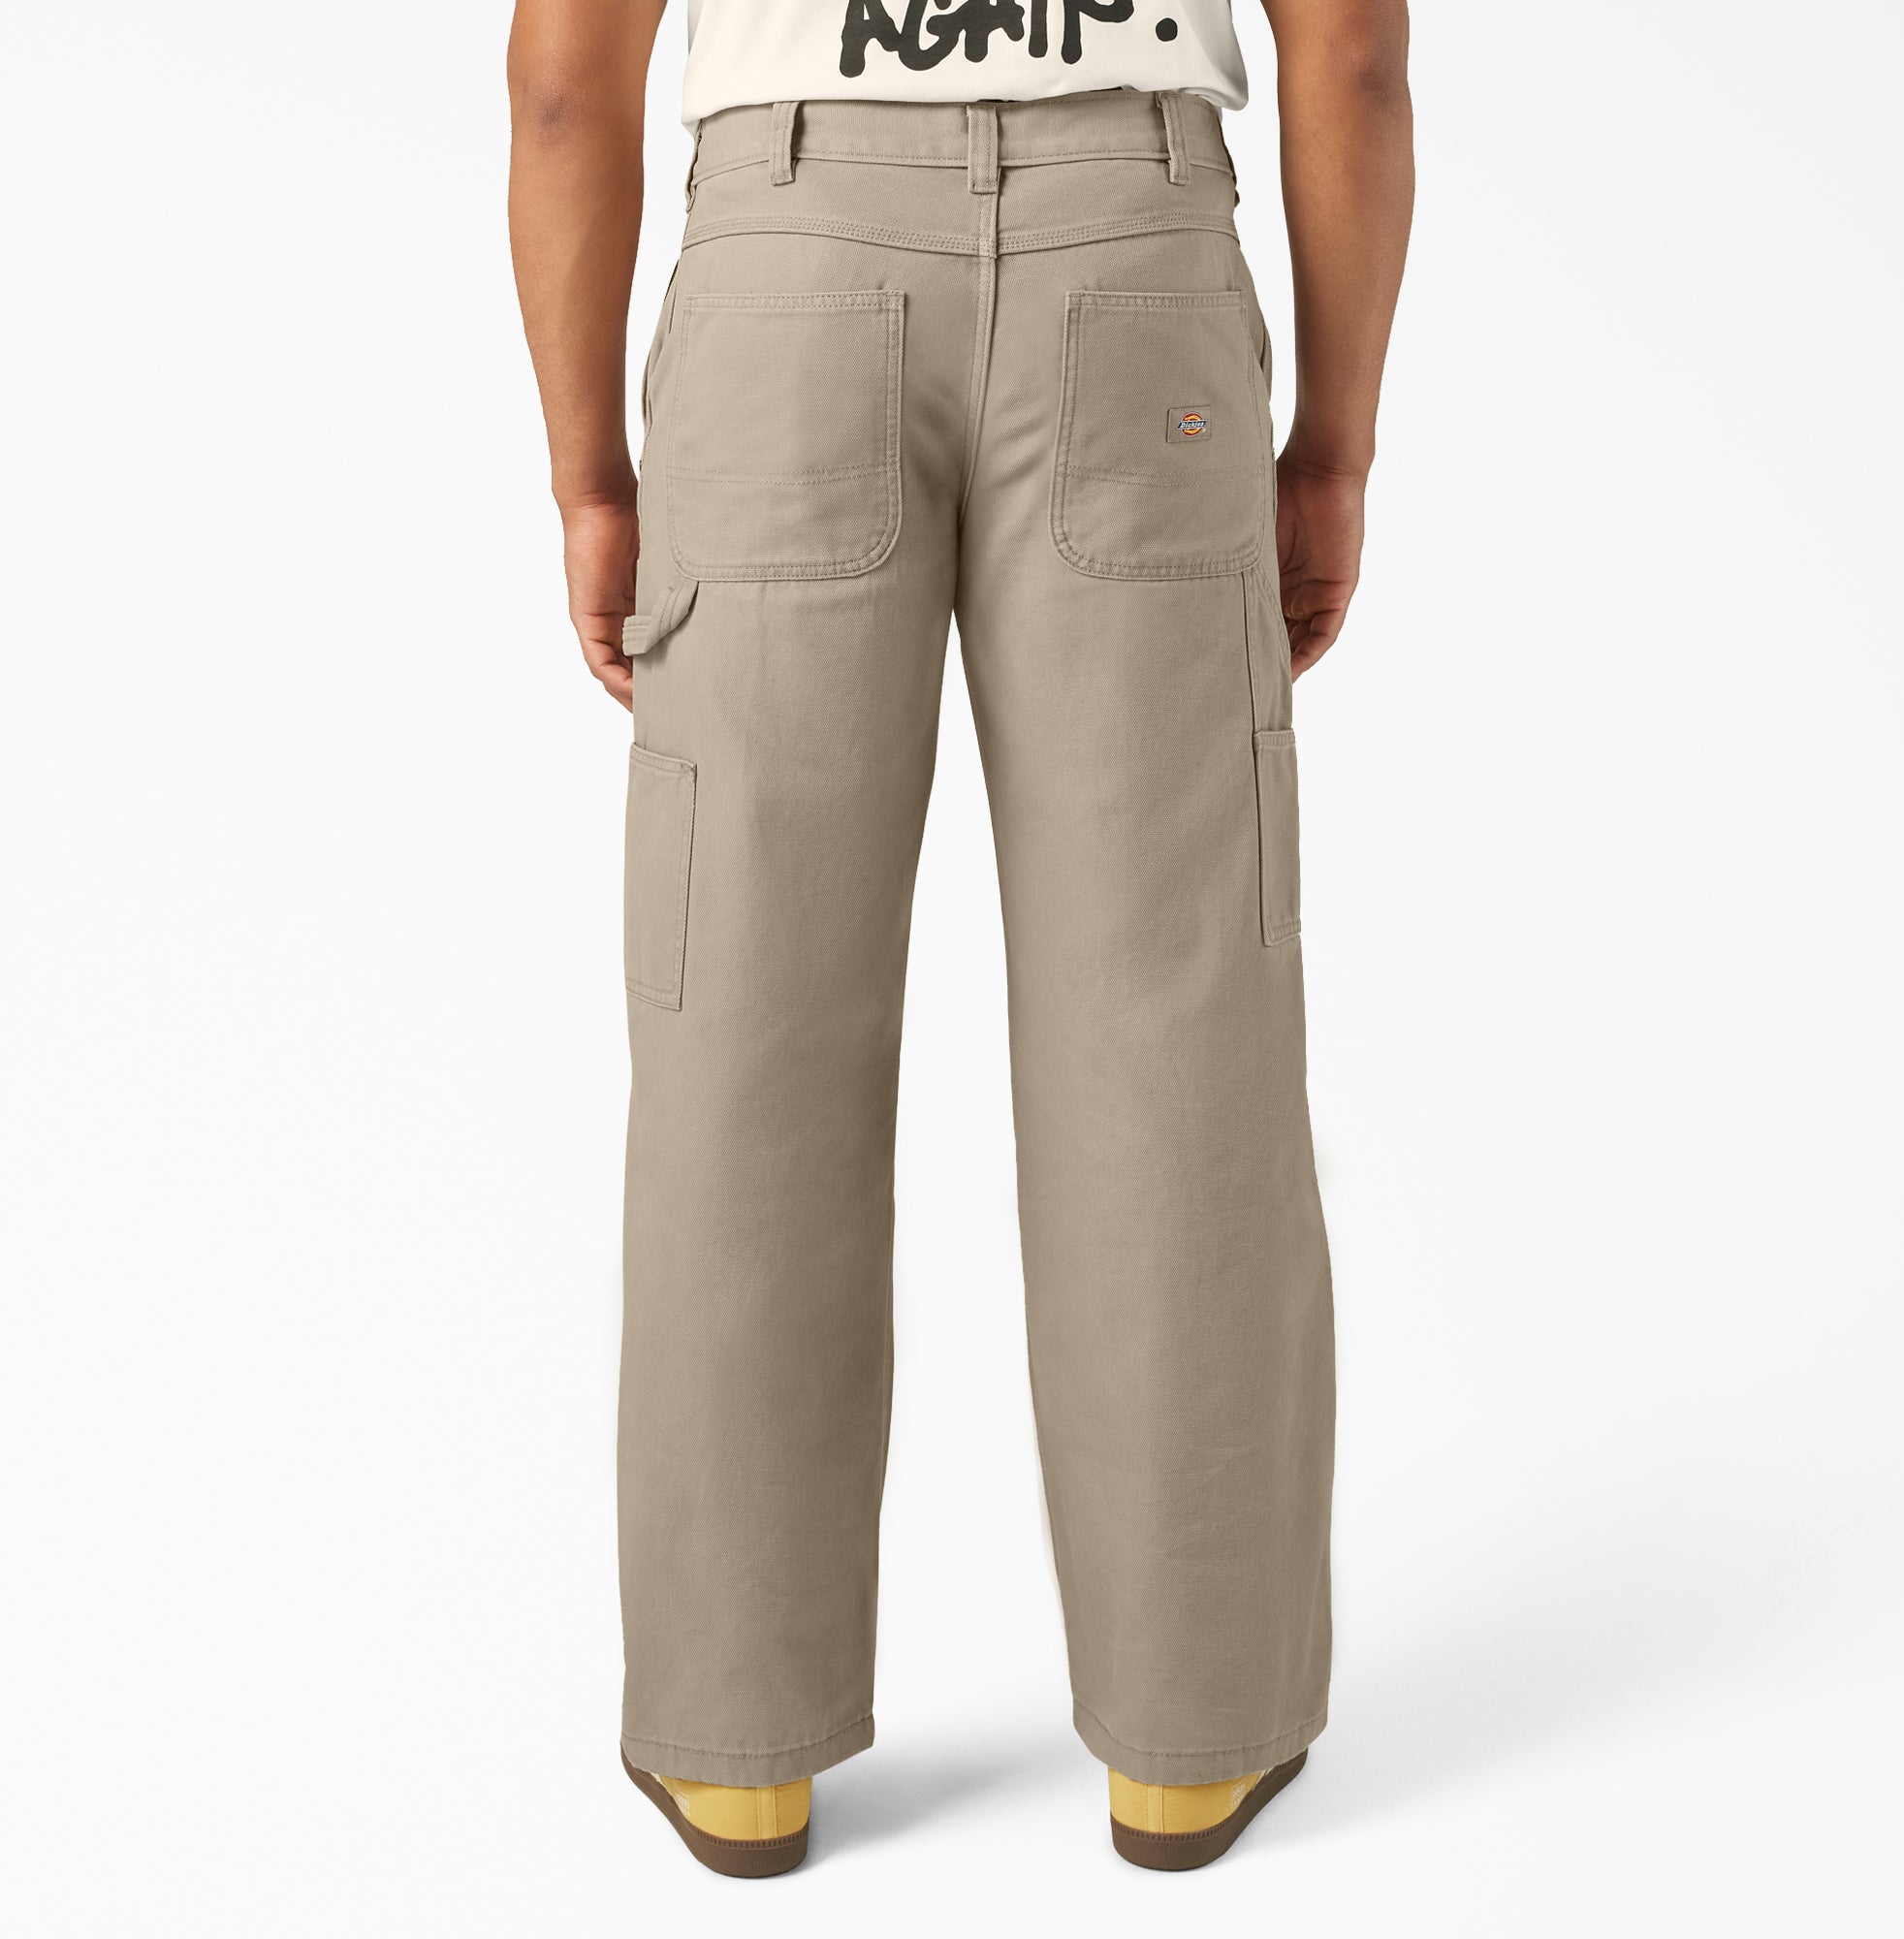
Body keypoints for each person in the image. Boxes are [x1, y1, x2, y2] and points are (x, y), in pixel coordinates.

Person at [508, 0, 1412, 1876]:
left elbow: (566, 84)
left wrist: (591, 472)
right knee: (1174, 1026)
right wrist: (1332, 445)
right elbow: (1350, 62)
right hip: (1136, 271)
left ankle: (739, 1752)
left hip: (784, 279)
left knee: (742, 1025)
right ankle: (1190, 1741)